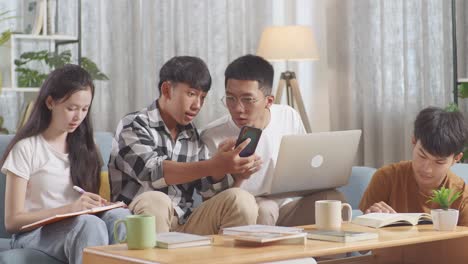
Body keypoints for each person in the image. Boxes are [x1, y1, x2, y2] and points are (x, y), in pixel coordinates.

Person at [108, 56, 258, 235]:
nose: (197, 105)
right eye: (191, 94)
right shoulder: (133, 124)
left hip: (185, 222)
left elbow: (207, 192)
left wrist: (226, 168)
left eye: (203, 97)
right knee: (156, 200)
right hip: (140, 222)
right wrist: (214, 165)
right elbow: (152, 172)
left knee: (241, 199)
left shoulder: (191, 133)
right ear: (166, 90)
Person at [0, 64, 131, 264]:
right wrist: (68, 210)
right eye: (71, 108)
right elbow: (12, 221)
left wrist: (101, 205)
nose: (78, 117)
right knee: (89, 225)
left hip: (76, 225)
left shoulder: (87, 147)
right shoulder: (26, 149)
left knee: (121, 217)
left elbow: (85, 201)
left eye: (84, 109)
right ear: (50, 102)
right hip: (34, 233)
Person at [201, 54, 346, 226]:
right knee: (266, 208)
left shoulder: (288, 116)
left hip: (286, 205)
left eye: (248, 99)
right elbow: (211, 203)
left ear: (269, 101)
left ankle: (321, 253)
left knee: (333, 199)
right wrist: (229, 174)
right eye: (230, 98)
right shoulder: (212, 135)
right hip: (248, 213)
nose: (238, 108)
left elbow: (305, 165)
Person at [360, 106, 468, 226]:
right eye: (422, 156)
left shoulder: (461, 195)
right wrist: (371, 218)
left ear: (456, 159)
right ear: (414, 141)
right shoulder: (387, 178)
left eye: (439, 162)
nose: (427, 169)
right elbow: (358, 231)